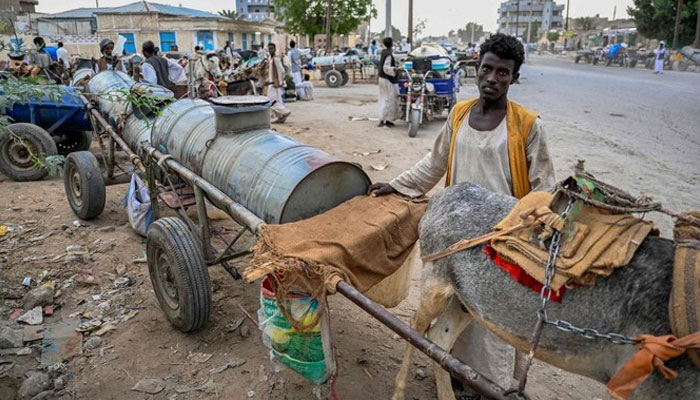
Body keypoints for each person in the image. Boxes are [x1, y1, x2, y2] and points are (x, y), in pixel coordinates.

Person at [369, 33, 555, 393]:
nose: (492, 78)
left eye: (503, 72)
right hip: (457, 234)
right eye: (487, 68)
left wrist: (525, 230)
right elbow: (434, 162)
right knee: (454, 312)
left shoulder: (529, 125)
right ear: (476, 69)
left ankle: (492, 386)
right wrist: (397, 184)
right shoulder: (459, 114)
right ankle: (456, 375)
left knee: (493, 322)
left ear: (514, 78)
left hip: (501, 241)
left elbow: (544, 187)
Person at [266, 42, 291, 123]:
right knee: (276, 100)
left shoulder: (276, 59)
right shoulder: (270, 59)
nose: (270, 50)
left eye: (272, 48)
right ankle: (280, 117)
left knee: (271, 101)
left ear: (275, 49)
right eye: (269, 49)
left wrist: (279, 82)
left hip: (274, 84)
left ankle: (285, 112)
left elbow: (281, 71)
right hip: (271, 83)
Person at [377, 37, 399, 127]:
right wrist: (394, 69)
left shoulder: (383, 52)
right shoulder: (389, 54)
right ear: (391, 44)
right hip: (387, 79)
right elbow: (386, 68)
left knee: (383, 99)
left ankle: (383, 119)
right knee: (390, 99)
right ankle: (387, 120)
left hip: (381, 78)